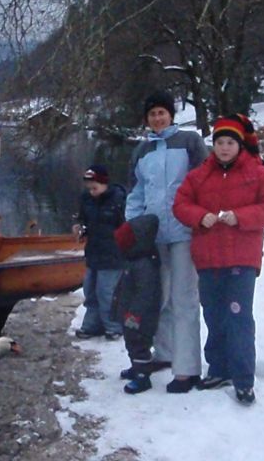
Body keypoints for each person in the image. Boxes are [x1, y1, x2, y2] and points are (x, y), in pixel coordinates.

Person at [173, 114, 264, 405]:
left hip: (242, 258)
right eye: (219, 142)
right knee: (213, 315)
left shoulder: (258, 173)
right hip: (208, 259)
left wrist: (241, 217)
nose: (224, 148)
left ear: (239, 145)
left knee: (238, 317)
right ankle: (219, 368)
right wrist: (200, 216)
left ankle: (243, 378)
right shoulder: (200, 175)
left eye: (229, 143)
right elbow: (181, 204)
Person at [126, 90, 208, 393]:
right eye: (152, 114)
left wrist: (201, 218)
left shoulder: (189, 142)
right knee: (156, 298)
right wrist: (133, 228)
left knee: (184, 298)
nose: (157, 118)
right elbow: (136, 193)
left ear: (171, 114)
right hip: (154, 235)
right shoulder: (142, 150)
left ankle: (187, 369)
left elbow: (204, 183)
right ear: (146, 119)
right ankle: (164, 353)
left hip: (185, 232)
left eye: (162, 112)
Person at [111, 214, 162, 394]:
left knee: (140, 343)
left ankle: (143, 376)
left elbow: (145, 294)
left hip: (140, 317)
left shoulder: (144, 265)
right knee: (131, 341)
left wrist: (135, 314)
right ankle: (136, 367)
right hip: (129, 314)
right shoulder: (133, 260)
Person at [73, 165, 125, 340]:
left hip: (113, 254)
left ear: (104, 184)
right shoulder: (86, 199)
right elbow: (82, 219)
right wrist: (80, 228)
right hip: (94, 252)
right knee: (90, 290)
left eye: (95, 188)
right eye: (89, 188)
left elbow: (127, 225)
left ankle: (113, 326)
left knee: (107, 292)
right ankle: (92, 324)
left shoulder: (118, 199)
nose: (92, 192)